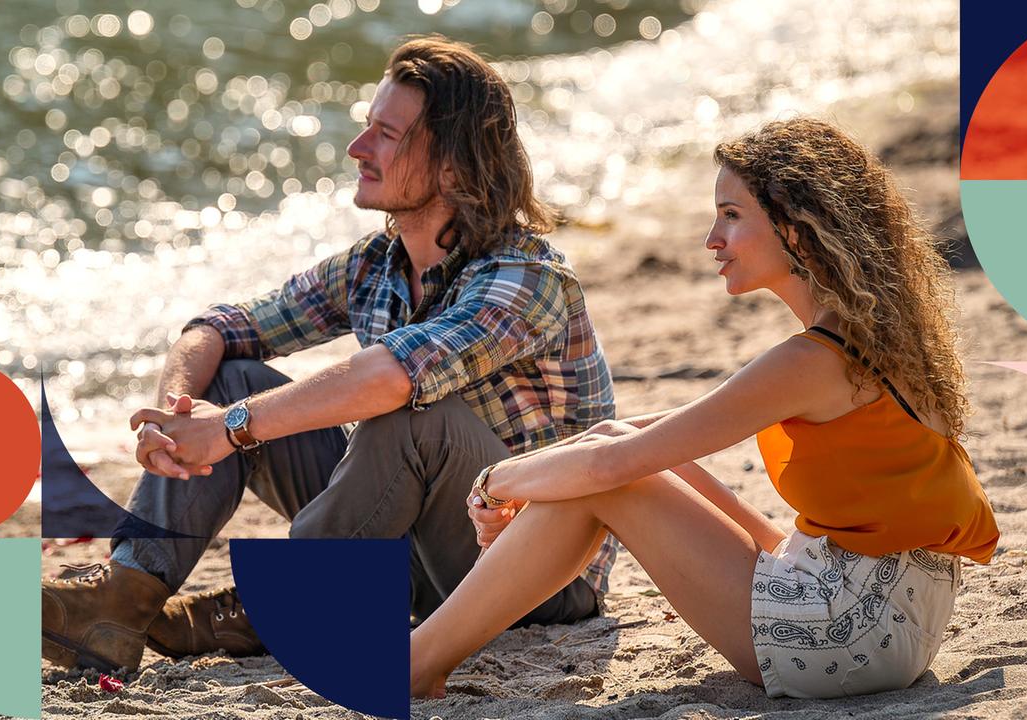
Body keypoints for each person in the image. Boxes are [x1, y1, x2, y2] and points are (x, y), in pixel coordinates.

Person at [40, 36, 617, 674]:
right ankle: (124, 598)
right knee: (233, 378)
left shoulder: (528, 278)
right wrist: (173, 418)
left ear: (452, 165)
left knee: (412, 411)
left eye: (386, 134)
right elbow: (220, 327)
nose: (357, 148)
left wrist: (229, 429)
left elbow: (394, 375)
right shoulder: (376, 264)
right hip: (414, 564)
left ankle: (289, 599)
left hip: (537, 574)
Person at [410, 118, 1000, 699]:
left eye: (732, 216)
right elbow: (641, 437)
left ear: (796, 230)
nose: (711, 239)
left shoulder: (815, 360)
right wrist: (542, 471)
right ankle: (431, 649)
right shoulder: (873, 336)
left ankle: (418, 661)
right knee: (618, 445)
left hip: (850, 630)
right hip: (887, 604)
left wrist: (498, 479)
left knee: (615, 480)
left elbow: (614, 468)